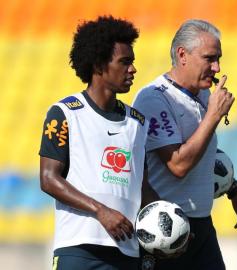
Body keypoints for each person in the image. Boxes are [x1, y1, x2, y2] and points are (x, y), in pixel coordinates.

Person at [132, 19, 237, 270]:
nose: (217, 67)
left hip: (201, 223)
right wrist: (213, 116)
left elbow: (206, 151)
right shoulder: (155, 98)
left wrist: (234, 190)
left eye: (218, 58)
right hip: (164, 229)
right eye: (209, 58)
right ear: (183, 55)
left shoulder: (203, 94)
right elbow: (178, 165)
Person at [39, 15, 158, 270]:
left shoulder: (137, 123)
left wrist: (166, 219)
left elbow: (143, 185)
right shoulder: (65, 113)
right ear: (99, 65)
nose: (133, 69)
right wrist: (100, 211)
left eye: (133, 62)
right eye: (125, 62)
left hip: (127, 251)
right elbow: (48, 179)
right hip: (79, 249)